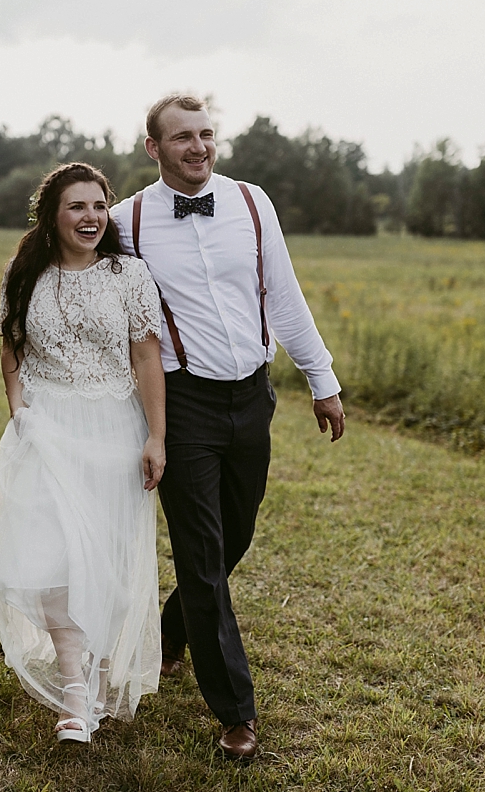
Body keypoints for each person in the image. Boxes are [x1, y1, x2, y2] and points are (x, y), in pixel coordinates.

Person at [111, 94, 346, 761]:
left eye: (206, 134)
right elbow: (100, 304)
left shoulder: (250, 202)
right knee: (203, 558)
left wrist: (321, 379)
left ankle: (170, 633)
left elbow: (285, 292)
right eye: (182, 137)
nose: (198, 147)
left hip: (253, 396)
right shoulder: (127, 221)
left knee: (234, 534)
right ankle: (236, 711)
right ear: (153, 148)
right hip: (182, 405)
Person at [0, 162, 167, 745]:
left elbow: (146, 358)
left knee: (104, 561)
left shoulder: (128, 275)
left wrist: (156, 435)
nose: (90, 218)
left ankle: (96, 674)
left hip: (114, 428)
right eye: (77, 207)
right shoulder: (24, 273)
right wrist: (20, 411)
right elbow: (11, 345)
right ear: (52, 216)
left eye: (98, 206)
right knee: (48, 559)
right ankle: (73, 692)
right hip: (47, 429)